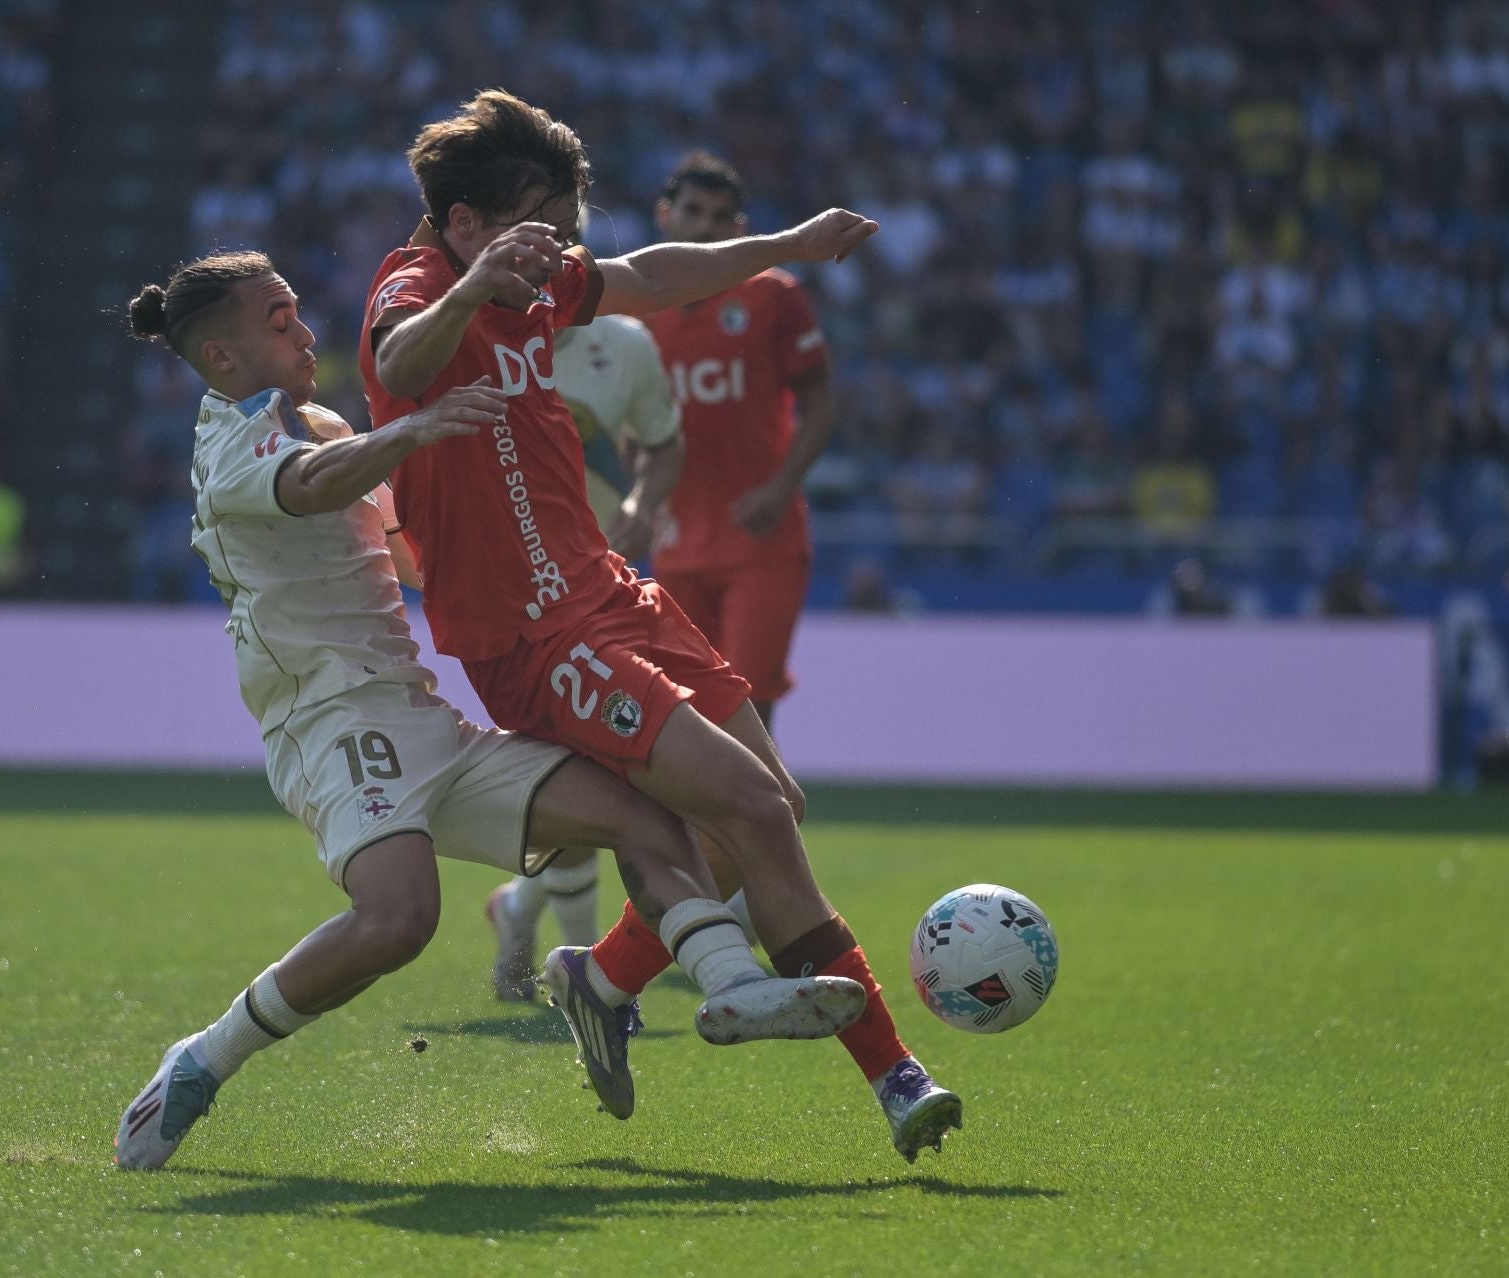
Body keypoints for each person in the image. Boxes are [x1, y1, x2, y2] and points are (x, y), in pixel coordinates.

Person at [112, 252, 863, 1171]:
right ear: (222, 357)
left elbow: (408, 547)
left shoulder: (314, 421)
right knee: (400, 922)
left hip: (423, 720)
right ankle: (201, 1060)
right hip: (335, 730)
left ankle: (733, 983)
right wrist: (417, 431)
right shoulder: (235, 446)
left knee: (647, 817)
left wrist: (546, 557)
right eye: (279, 321)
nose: (307, 333)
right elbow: (312, 483)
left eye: (298, 311)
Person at [360, 90, 961, 1160]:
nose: (562, 250)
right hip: (533, 636)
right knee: (749, 813)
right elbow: (399, 364)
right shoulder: (415, 286)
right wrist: (476, 291)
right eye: (542, 223)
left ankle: (600, 978)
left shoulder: (539, 282)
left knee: (773, 807)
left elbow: (654, 277)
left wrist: (791, 243)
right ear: (465, 225)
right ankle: (897, 1080)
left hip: (612, 590)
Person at [486, 247, 685, 1000]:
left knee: (614, 778)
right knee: (582, 779)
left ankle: (530, 919)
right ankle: (578, 966)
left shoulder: (624, 343)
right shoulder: (473, 335)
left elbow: (665, 444)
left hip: (605, 587)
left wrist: (637, 505)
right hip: (519, 608)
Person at [640, 152, 833, 733]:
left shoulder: (773, 298)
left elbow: (821, 402)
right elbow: (628, 422)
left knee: (747, 714)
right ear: (664, 214)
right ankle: (696, 829)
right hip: (675, 542)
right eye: (693, 212)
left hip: (760, 537)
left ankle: (760, 825)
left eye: (720, 218)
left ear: (740, 230)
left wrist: (781, 488)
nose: (704, 228)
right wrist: (639, 499)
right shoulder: (634, 310)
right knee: (688, 718)